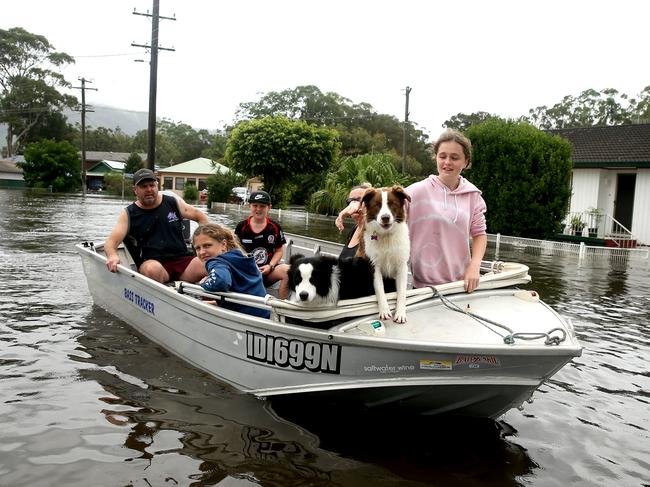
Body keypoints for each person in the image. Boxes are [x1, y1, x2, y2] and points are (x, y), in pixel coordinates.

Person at [406, 129, 487, 292]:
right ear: (436, 158)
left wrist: (474, 266)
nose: (447, 162)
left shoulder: (473, 196)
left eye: (454, 157)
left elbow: (479, 234)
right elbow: (383, 202)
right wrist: (355, 202)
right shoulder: (415, 192)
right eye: (442, 156)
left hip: (460, 286)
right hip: (422, 288)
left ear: (466, 162)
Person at [105, 168, 209, 283]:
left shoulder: (173, 202)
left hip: (183, 263)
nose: (149, 190)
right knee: (152, 269)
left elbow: (201, 217)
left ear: (157, 186)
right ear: (135, 190)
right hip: (153, 264)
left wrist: (200, 244)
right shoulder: (128, 214)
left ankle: (212, 297)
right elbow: (111, 243)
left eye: (152, 185)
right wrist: (112, 256)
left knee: (213, 264)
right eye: (144, 186)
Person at [192, 224, 270, 318]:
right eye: (198, 248)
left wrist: (203, 283)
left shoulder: (215, 262)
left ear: (223, 245)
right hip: (264, 312)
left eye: (207, 245)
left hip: (246, 319)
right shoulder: (240, 256)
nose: (202, 252)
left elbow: (221, 282)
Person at [234, 190, 289, 299]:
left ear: (269, 207)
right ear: (249, 206)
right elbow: (235, 250)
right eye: (255, 205)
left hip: (267, 272)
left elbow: (279, 251)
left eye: (262, 206)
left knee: (288, 270)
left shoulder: (275, 227)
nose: (258, 209)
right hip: (246, 273)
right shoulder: (241, 227)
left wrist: (270, 266)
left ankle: (283, 307)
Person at [335, 183, 372, 260]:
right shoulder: (354, 229)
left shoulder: (375, 232)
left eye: (360, 200)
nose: (354, 204)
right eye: (350, 201)